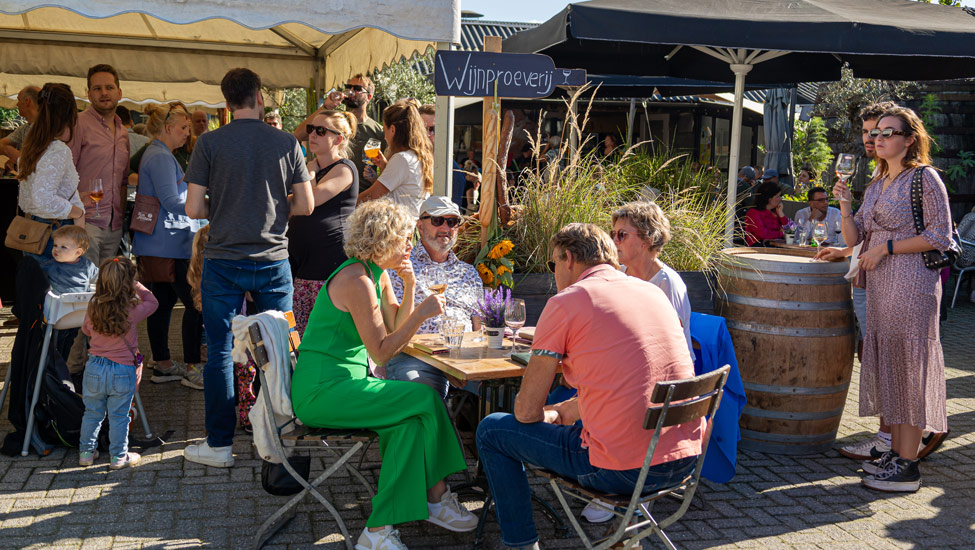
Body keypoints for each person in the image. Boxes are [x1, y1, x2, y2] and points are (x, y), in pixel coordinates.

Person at [476, 223, 702, 550]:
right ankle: (627, 541)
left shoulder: (568, 301)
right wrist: (565, 410)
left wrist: (544, 413)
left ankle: (522, 545)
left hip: (621, 470)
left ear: (569, 258)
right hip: (682, 463)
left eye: (553, 264)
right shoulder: (652, 291)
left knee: (492, 430)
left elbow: (525, 413)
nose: (554, 272)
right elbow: (632, 383)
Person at [292, 199, 478, 549]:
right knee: (424, 397)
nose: (410, 244)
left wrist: (409, 286)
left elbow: (395, 323)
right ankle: (438, 494)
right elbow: (382, 350)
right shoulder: (356, 279)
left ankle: (378, 531)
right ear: (382, 239)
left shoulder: (377, 275)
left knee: (408, 425)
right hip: (322, 390)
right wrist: (421, 314)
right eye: (404, 238)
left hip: (351, 383)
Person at [182, 67, 314, 468]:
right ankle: (279, 441)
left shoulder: (208, 143)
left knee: (221, 351)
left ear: (226, 103)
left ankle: (220, 445)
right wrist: (273, 210)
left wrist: (221, 210)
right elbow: (306, 205)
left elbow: (192, 208)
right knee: (279, 348)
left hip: (222, 259)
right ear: (260, 97)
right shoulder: (287, 142)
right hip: (273, 260)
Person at [834, 106, 952, 492]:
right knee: (893, 369)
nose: (878, 138)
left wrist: (885, 247)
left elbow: (939, 237)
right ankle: (898, 455)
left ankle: (908, 465)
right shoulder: (876, 184)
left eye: (889, 132)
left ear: (909, 139)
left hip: (913, 283)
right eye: (877, 132)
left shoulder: (925, 178)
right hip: (882, 287)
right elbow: (854, 240)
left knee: (909, 369)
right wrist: (845, 203)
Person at [132, 104, 205, 390]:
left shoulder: (158, 153)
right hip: (169, 244)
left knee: (160, 304)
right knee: (194, 304)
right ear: (167, 127)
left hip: (160, 242)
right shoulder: (161, 157)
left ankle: (162, 363)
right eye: (183, 127)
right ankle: (191, 366)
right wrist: (207, 208)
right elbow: (172, 201)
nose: (188, 133)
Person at [385, 196, 483, 399]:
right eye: (438, 220)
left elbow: (478, 327)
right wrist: (443, 363)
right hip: (417, 358)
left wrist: (467, 364)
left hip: (464, 359)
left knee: (506, 391)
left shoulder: (469, 272)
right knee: (421, 392)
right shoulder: (400, 267)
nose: (446, 227)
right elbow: (392, 329)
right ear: (420, 227)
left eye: (453, 221)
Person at [78, 256, 158, 469]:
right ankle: (118, 457)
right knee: (119, 416)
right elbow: (153, 301)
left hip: (94, 367)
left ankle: (86, 453)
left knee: (92, 413)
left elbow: (86, 329)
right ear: (128, 282)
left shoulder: (94, 305)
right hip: (123, 370)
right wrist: (137, 285)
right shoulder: (131, 309)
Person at [286, 109, 359, 336]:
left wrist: (308, 170)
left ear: (338, 139)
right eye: (310, 130)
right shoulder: (313, 170)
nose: (312, 136)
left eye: (320, 131)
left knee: (319, 332)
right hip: (303, 267)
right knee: (297, 332)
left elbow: (310, 200)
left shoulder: (345, 169)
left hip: (328, 264)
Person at [612, 202, 694, 361]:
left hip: (665, 373)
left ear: (647, 239)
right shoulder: (617, 276)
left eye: (622, 234)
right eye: (613, 234)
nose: (614, 241)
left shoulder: (667, 282)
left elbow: (671, 343)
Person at [16, 82, 86, 259]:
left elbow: (28, 199)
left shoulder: (33, 145)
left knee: (35, 283)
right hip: (55, 232)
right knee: (60, 285)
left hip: (34, 227)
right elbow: (43, 199)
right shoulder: (56, 150)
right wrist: (77, 211)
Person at [70, 64, 130, 266]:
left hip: (114, 225)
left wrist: (119, 219)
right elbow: (66, 174)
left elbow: (123, 180)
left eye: (109, 87)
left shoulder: (123, 131)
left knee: (107, 288)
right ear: (88, 94)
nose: (104, 93)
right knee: (84, 288)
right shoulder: (78, 124)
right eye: (97, 88)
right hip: (86, 224)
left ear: (119, 92)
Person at [295, 74, 384, 189]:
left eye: (357, 89)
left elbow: (387, 169)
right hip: (326, 191)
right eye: (349, 87)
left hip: (361, 197)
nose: (351, 91)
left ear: (369, 97)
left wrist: (375, 180)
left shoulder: (378, 131)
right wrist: (326, 107)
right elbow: (299, 134)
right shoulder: (334, 121)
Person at [357, 101, 433, 219]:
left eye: (384, 130)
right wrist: (384, 167)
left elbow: (372, 195)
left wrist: (344, 204)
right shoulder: (416, 155)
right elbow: (397, 190)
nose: (384, 136)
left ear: (392, 129)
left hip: (400, 230)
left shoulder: (402, 159)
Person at [417, 104, 468, 211]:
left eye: (433, 129)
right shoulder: (406, 158)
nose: (427, 134)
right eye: (422, 128)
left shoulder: (452, 172)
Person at [40, 225, 98, 294]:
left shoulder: (87, 265)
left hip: (82, 301)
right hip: (60, 303)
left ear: (78, 252)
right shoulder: (49, 265)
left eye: (63, 247)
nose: (56, 249)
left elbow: (101, 277)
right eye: (55, 245)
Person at [0, 85, 40, 171]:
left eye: (18, 100)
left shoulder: (48, 129)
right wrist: (14, 160)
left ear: (27, 101)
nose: (17, 104)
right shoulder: (24, 128)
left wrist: (7, 150)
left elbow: (32, 163)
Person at [743, 181, 789, 246]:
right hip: (759, 249)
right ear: (769, 199)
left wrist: (781, 214)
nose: (781, 199)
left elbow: (789, 229)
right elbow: (763, 233)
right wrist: (781, 233)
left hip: (776, 246)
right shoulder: (753, 213)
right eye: (778, 196)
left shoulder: (776, 211)